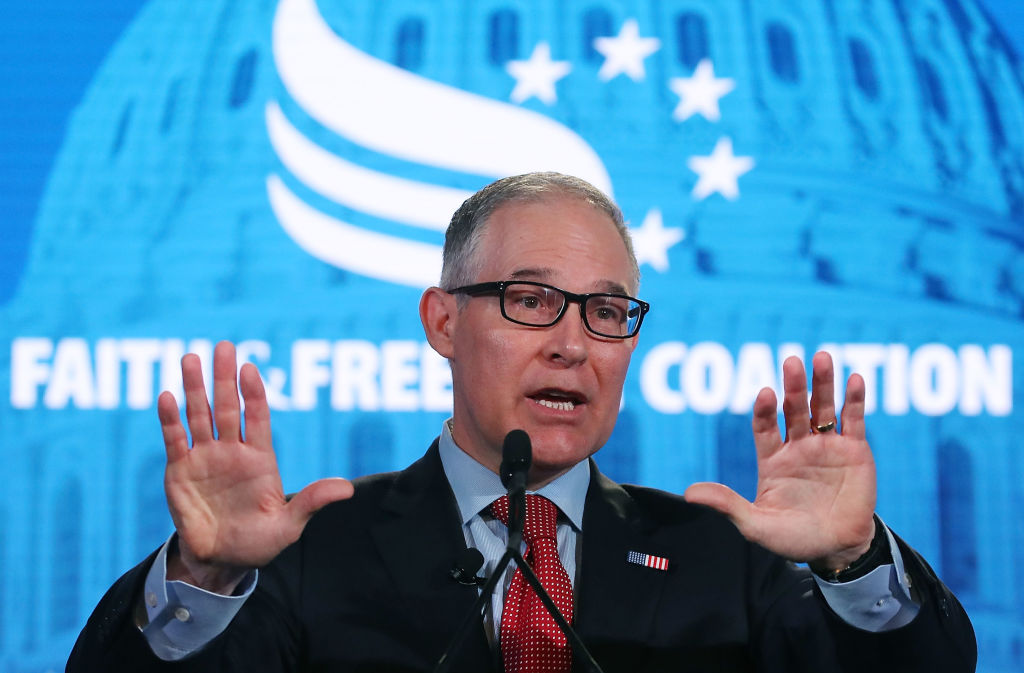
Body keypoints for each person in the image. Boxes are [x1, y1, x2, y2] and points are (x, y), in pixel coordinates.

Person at [68, 172, 975, 672]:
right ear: (442, 321)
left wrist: (850, 564)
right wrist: (203, 574)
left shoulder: (727, 555)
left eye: (607, 311)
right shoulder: (303, 555)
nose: (574, 344)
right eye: (531, 300)